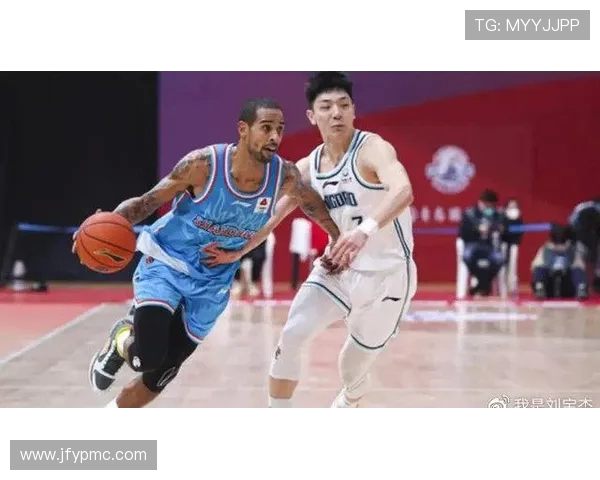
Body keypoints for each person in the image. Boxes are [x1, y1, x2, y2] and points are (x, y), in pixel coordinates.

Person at [74, 97, 341, 408]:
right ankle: (121, 337)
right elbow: (146, 202)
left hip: (213, 281)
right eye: (266, 128)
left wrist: (339, 237)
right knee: (146, 358)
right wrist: (105, 224)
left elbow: (311, 203)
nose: (274, 137)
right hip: (168, 263)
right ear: (243, 129)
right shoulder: (202, 165)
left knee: (161, 375)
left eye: (280, 129)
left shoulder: (284, 176)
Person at [204, 72, 417, 408]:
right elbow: (270, 218)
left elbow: (403, 191)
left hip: (387, 276)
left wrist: (364, 231)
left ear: (354, 110)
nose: (337, 113)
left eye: (344, 105)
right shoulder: (307, 168)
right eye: (327, 106)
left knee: (351, 366)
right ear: (312, 116)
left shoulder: (372, 149)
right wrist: (236, 252)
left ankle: (349, 401)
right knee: (292, 335)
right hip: (338, 270)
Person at [457, 189, 505, 296]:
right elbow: (463, 233)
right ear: (481, 202)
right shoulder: (469, 214)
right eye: (487, 205)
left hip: (490, 246)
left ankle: (481, 286)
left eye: (491, 206)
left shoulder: (497, 214)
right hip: (473, 245)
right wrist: (477, 229)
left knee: (498, 259)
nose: (489, 208)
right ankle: (484, 285)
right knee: (467, 256)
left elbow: (503, 229)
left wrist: (495, 228)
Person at [531, 223, 588, 299]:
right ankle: (539, 288)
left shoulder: (572, 249)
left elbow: (580, 266)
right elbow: (535, 265)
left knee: (578, 269)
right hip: (549, 285)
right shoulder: (545, 249)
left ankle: (581, 289)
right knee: (539, 269)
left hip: (567, 285)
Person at [567, 199, 600, 292]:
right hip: (581, 240)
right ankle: (581, 285)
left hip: (595, 240)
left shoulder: (582, 208)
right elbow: (571, 225)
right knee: (578, 260)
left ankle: (595, 282)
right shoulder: (582, 209)